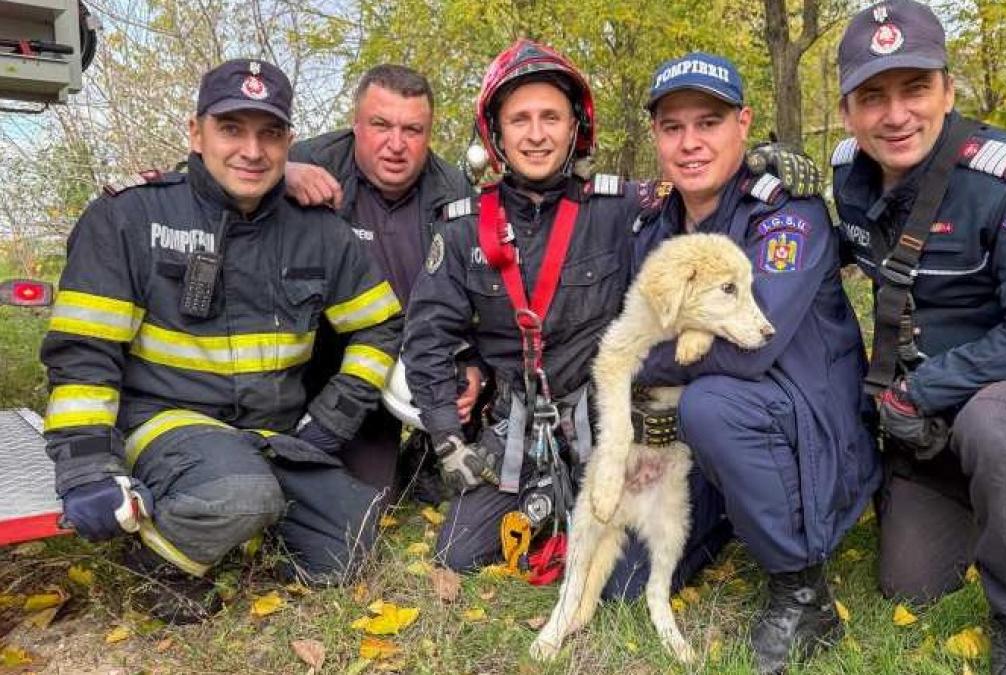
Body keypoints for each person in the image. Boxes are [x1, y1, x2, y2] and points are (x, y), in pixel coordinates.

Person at [403, 39, 818, 579]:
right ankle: (544, 503)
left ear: (575, 126)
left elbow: (699, 191)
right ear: (496, 133)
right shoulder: (461, 227)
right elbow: (427, 336)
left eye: (550, 117)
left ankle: (706, 513)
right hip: (513, 431)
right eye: (519, 119)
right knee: (456, 552)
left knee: (629, 568)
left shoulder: (624, 206)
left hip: (605, 422)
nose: (535, 134)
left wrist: (759, 162)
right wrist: (447, 439)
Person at [40, 59, 403, 623]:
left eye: (270, 133)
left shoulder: (320, 232)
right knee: (241, 494)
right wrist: (86, 469)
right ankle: (155, 567)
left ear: (289, 142)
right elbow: (84, 357)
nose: (252, 151)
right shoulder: (129, 217)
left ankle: (231, 532)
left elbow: (380, 324)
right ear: (195, 132)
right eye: (231, 129)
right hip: (163, 422)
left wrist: (334, 418)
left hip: (270, 435)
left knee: (351, 538)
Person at [830, 3, 1006, 673]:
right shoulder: (848, 175)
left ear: (948, 89)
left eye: (915, 88)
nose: (896, 115)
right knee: (909, 583)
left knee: (996, 425)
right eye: (872, 97)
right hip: (926, 427)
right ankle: (991, 503)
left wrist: (924, 388)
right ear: (847, 112)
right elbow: (849, 249)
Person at [626, 52, 881, 674]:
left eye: (708, 123)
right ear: (656, 136)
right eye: (672, 127)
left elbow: (747, 346)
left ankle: (803, 591)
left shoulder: (788, 212)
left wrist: (639, 361)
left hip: (811, 432)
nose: (690, 143)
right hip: (725, 435)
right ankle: (724, 521)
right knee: (625, 583)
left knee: (709, 403)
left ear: (744, 124)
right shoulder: (656, 222)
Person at [286, 65, 477, 505]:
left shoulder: (455, 192)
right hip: (317, 363)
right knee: (305, 482)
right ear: (356, 124)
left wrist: (473, 364)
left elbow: (477, 291)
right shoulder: (309, 163)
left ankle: (419, 456)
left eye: (412, 130)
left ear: (429, 134)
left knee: (370, 497)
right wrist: (281, 175)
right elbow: (221, 176)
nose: (396, 145)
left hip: (399, 364)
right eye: (380, 125)